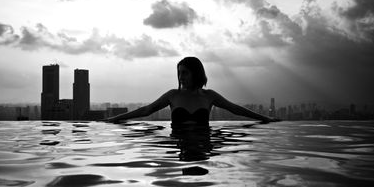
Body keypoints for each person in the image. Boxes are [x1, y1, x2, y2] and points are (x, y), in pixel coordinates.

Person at [104, 57, 279, 126]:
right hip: (177, 144)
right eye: (179, 73)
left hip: (204, 145)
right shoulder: (173, 95)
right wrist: (115, 119)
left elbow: (236, 109)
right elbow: (146, 110)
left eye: (185, 73)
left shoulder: (209, 96)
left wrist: (266, 119)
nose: (181, 77)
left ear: (196, 73)